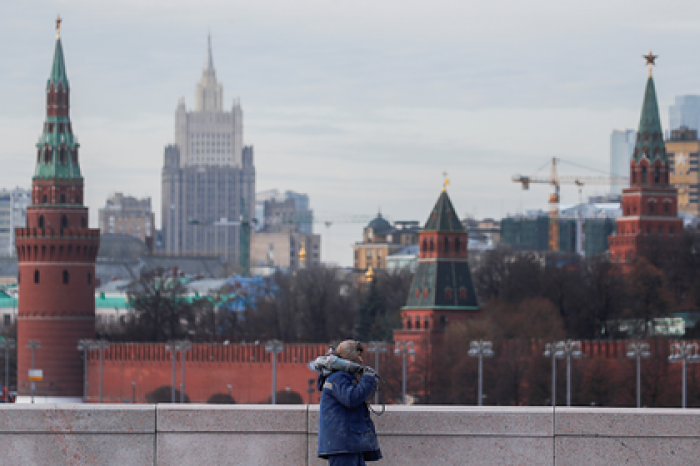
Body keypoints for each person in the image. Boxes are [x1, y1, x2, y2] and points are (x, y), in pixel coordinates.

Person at [317, 340, 382, 465]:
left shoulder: (339, 376)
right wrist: (368, 379)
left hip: (347, 444)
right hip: (344, 445)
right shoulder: (339, 377)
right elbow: (351, 398)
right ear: (350, 356)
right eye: (358, 356)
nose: (361, 360)